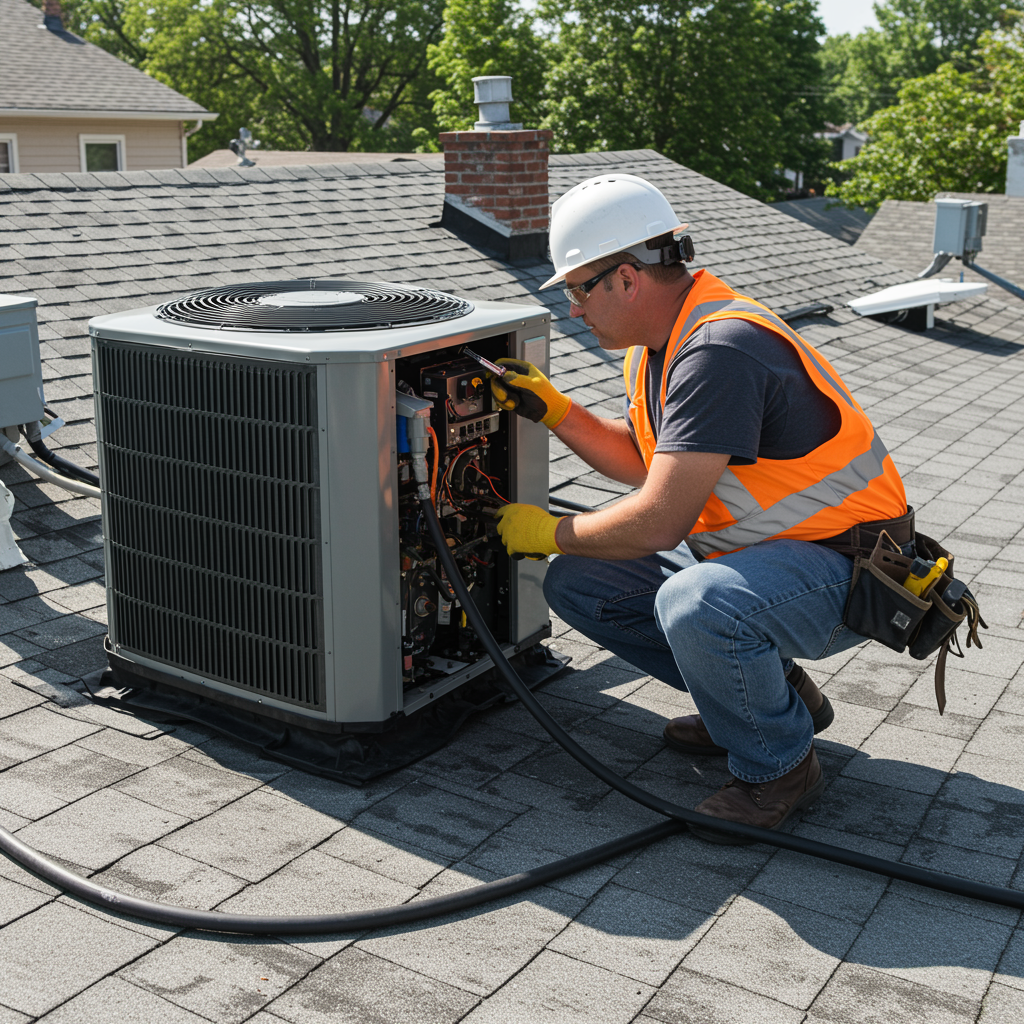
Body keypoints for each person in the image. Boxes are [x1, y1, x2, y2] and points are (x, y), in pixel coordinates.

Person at [488, 174, 909, 842]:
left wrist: (550, 529)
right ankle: (773, 700)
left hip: (853, 572)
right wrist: (561, 413)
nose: (572, 308)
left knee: (695, 601)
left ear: (626, 279)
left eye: (577, 288)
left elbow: (659, 520)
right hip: (779, 563)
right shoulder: (662, 344)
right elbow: (647, 459)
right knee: (581, 581)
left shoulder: (718, 350)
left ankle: (779, 768)